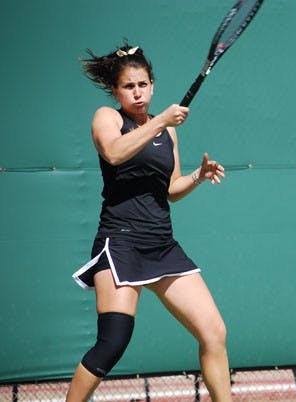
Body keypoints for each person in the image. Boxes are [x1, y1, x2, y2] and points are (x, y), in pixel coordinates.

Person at [67, 41, 232, 402]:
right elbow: (114, 153)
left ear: (152, 85)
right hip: (121, 242)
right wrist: (159, 121)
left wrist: (198, 176)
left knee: (213, 332)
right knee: (112, 343)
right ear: (116, 90)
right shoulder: (107, 118)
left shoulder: (168, 132)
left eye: (143, 85)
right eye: (129, 86)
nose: (137, 93)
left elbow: (170, 189)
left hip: (162, 244)